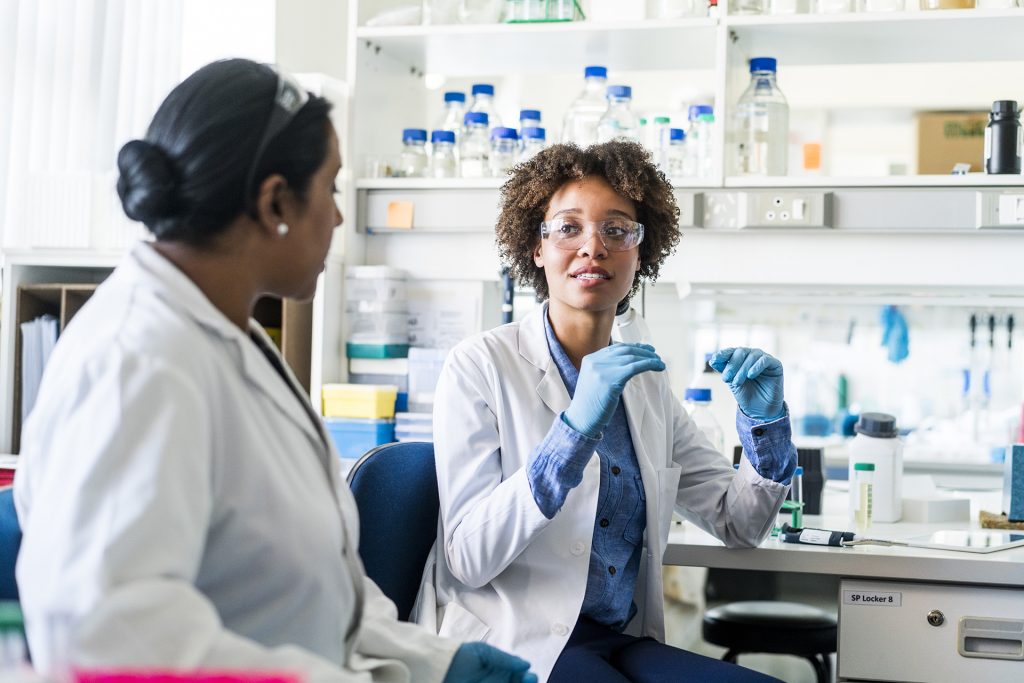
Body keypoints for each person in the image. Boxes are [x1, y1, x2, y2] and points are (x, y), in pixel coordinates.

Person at [14, 58, 535, 683]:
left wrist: (433, 661)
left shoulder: (224, 336)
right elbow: (115, 640)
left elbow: (312, 585)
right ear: (275, 201)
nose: (339, 219)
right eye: (333, 189)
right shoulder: (140, 363)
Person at [413, 141, 797, 683]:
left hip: (618, 637)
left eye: (617, 230)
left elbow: (739, 523)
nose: (593, 246)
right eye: (568, 227)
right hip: (513, 635)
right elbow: (469, 558)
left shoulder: (644, 381)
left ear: (641, 253)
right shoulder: (480, 365)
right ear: (537, 248)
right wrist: (571, 434)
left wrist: (766, 425)